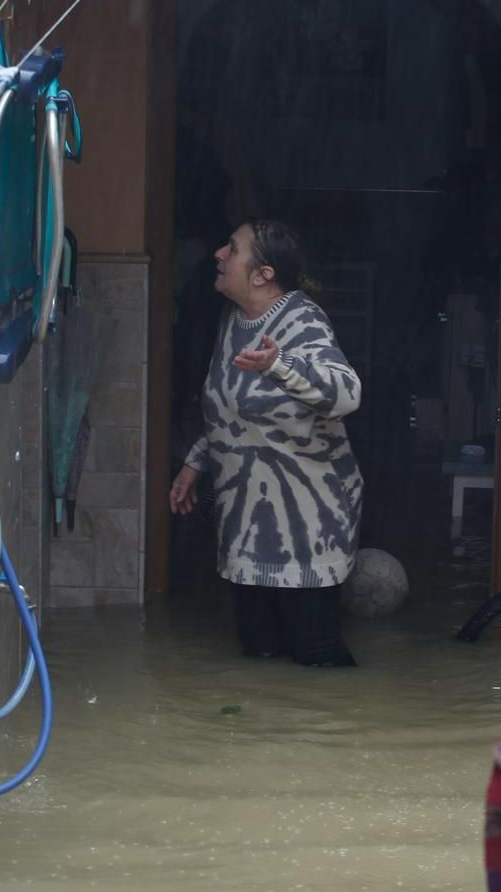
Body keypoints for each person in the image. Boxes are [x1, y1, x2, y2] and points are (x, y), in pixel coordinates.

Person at [169, 219, 365, 667]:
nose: (218, 253)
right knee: (258, 653)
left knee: (318, 661)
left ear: (264, 274)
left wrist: (279, 364)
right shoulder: (233, 320)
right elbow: (232, 407)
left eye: (232, 249)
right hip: (246, 526)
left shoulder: (302, 319)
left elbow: (347, 393)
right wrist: (195, 461)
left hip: (308, 528)